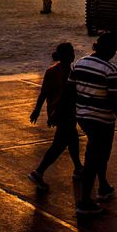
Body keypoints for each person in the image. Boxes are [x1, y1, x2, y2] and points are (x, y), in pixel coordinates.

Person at [70, 32, 117, 215]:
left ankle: (104, 186)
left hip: (82, 116)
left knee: (100, 153)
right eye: (114, 49)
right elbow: (116, 101)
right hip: (102, 119)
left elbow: (70, 90)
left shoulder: (79, 63)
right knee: (94, 157)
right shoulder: (110, 70)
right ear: (111, 49)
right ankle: (84, 202)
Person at [28, 42, 82, 191]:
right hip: (63, 111)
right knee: (60, 144)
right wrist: (47, 112)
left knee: (72, 139)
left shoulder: (53, 71)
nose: (73, 54)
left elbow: (43, 93)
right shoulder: (69, 72)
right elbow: (63, 95)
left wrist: (37, 111)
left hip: (61, 111)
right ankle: (39, 172)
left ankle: (78, 167)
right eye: (71, 52)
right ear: (67, 55)